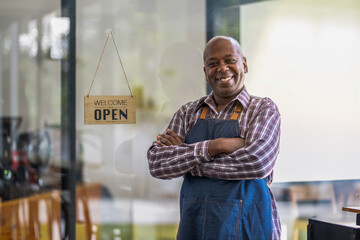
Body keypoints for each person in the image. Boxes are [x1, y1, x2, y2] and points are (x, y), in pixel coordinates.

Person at [147, 36, 281, 240]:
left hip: (249, 227)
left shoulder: (262, 110)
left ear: (243, 64)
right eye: (213, 63)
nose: (222, 68)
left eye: (229, 60)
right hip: (196, 227)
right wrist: (216, 146)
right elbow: (157, 163)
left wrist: (188, 161)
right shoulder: (188, 113)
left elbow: (257, 163)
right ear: (205, 72)